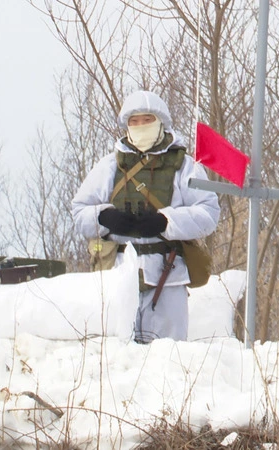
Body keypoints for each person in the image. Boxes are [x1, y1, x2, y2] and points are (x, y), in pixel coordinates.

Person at [71, 90, 220, 343]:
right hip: (117, 274)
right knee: (116, 354)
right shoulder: (110, 166)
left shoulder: (185, 166)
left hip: (168, 276)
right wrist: (104, 218)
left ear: (160, 122)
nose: (140, 126)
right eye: (134, 121)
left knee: (169, 356)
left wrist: (166, 222)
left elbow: (208, 213)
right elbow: (79, 212)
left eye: (147, 120)